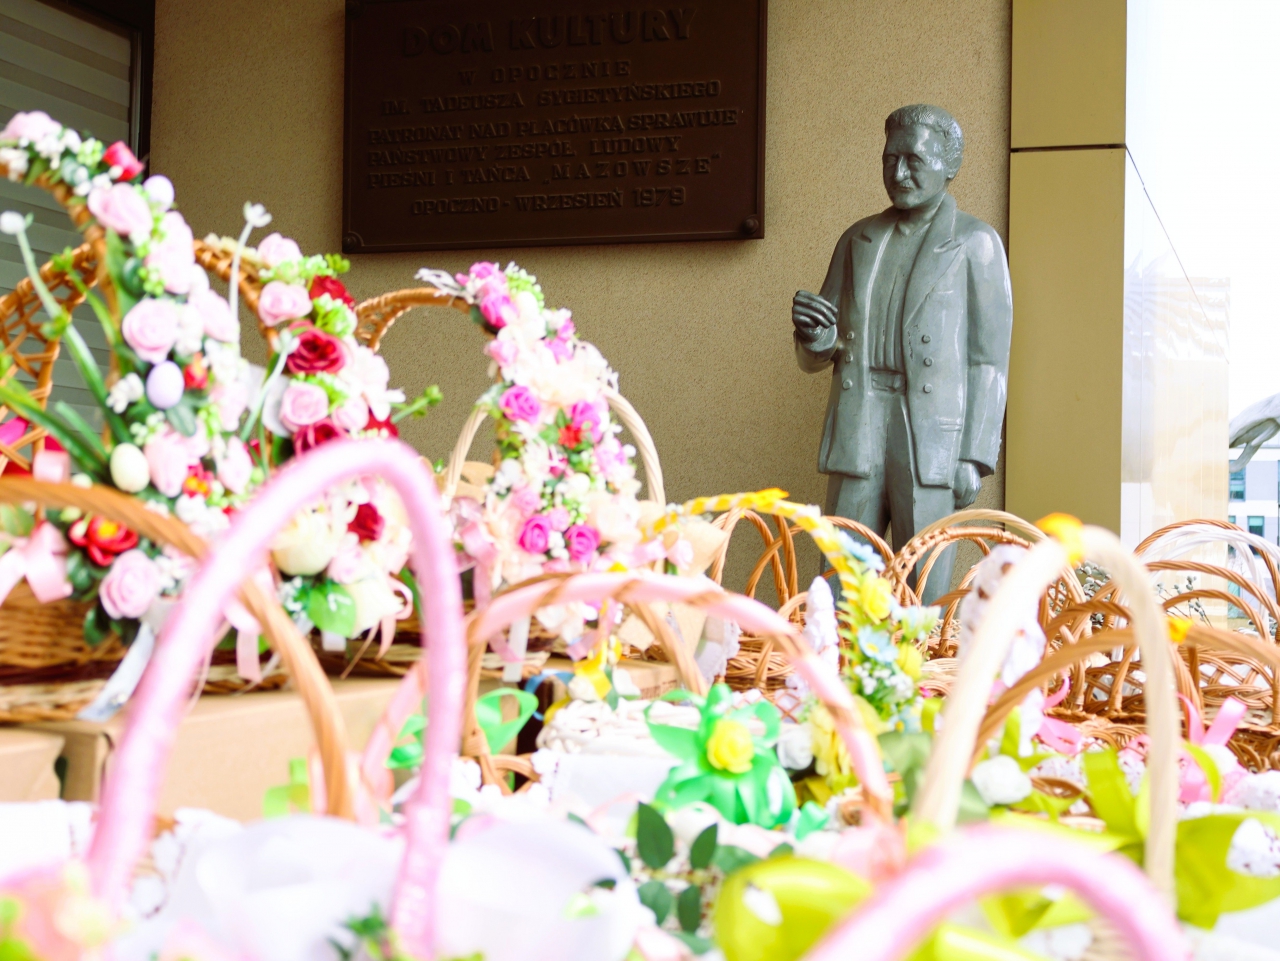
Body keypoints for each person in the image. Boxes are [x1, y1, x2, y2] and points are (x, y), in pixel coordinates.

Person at [792, 104, 1012, 604]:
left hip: (932, 435)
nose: (899, 172)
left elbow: (989, 361)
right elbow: (819, 353)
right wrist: (815, 336)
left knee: (924, 588)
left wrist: (974, 456)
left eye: (914, 160)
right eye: (890, 159)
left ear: (949, 165)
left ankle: (918, 659)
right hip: (860, 418)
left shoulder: (976, 243)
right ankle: (838, 655)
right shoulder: (858, 239)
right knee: (840, 580)